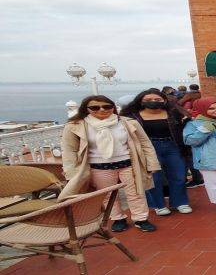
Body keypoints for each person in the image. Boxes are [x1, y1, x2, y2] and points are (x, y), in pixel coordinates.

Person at [61, 95, 159, 232]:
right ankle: (118, 219)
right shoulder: (75, 126)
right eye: (95, 107)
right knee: (107, 196)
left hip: (128, 164)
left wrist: (152, 164)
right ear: (86, 109)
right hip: (98, 167)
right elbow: (69, 150)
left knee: (137, 193)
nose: (101, 110)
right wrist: (71, 172)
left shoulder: (127, 122)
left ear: (113, 107)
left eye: (107, 106)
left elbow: (145, 144)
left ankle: (141, 219)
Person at [121, 89, 192, 216]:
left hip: (173, 146)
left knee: (179, 176)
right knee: (154, 178)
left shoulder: (174, 113)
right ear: (141, 101)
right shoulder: (133, 117)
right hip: (148, 148)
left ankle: (180, 202)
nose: (153, 102)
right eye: (148, 100)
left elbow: (186, 127)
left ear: (164, 100)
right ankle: (158, 205)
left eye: (157, 99)